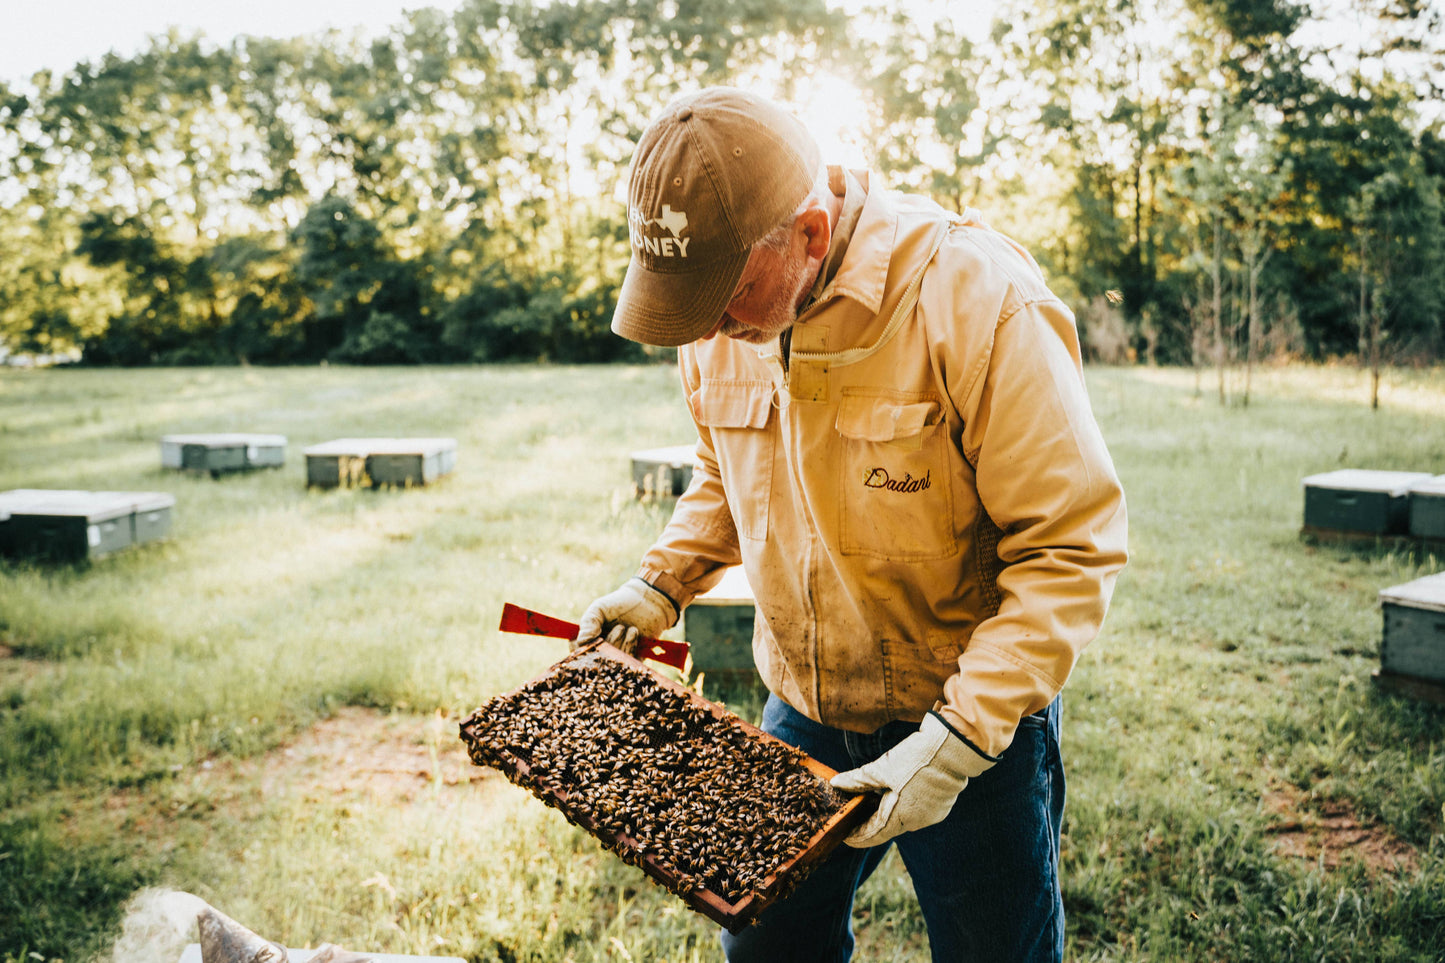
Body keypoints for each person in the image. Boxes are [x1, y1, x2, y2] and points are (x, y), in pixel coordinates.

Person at [575, 86, 1128, 963]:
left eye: (726, 292)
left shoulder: (976, 297)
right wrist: (661, 581)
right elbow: (725, 467)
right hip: (800, 700)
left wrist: (954, 743)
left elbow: (1067, 545)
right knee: (765, 950)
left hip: (967, 720)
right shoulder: (713, 316)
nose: (710, 324)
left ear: (809, 233)